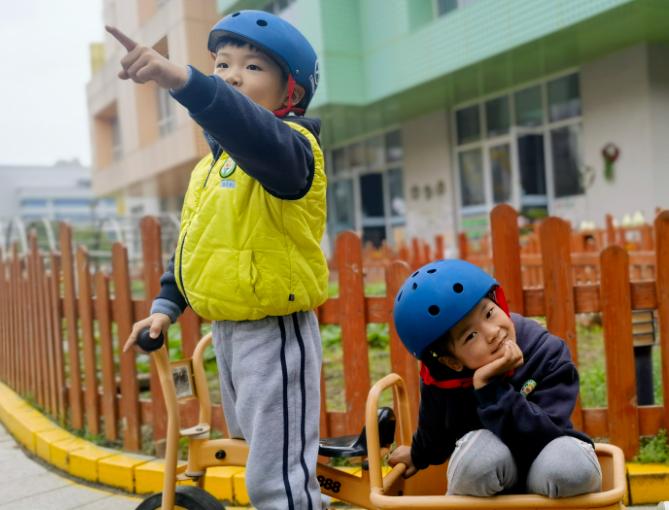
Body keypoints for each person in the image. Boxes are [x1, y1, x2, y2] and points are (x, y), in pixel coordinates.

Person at [109, 10, 328, 509]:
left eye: (252, 67)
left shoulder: (292, 149)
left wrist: (183, 80)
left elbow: (249, 129)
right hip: (228, 333)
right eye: (222, 64)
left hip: (274, 334)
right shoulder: (210, 169)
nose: (231, 76)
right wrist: (166, 306)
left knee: (278, 477)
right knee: (255, 454)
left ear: (290, 93)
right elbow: (196, 244)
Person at [388, 259, 602, 498]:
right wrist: (418, 455)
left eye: (489, 313)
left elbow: (547, 434)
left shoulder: (544, 352)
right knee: (476, 462)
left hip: (545, 455)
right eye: (470, 336)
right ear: (451, 362)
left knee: (570, 467)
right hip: (491, 477)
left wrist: (492, 390)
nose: (492, 332)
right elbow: (435, 429)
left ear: (498, 301)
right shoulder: (443, 380)